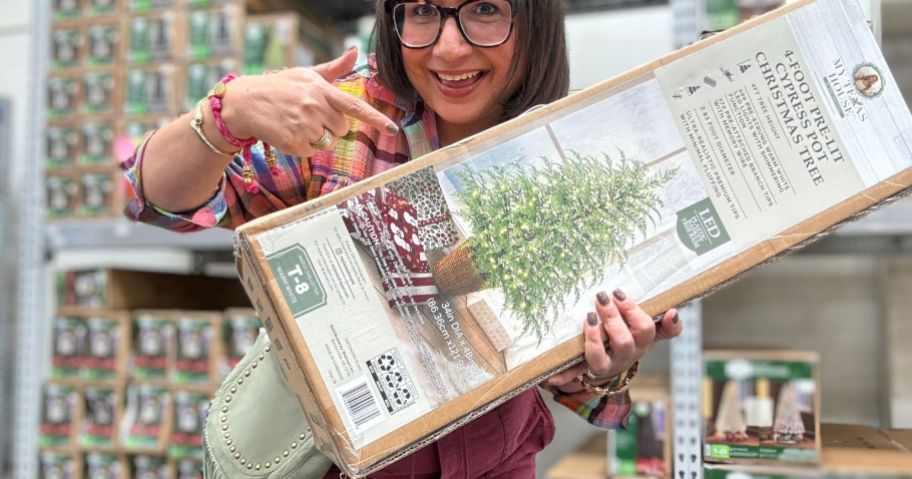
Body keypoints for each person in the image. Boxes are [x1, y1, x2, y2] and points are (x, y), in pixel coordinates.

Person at [121, 0, 684, 476]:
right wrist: (227, 115)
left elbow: (569, 372)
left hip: (494, 462)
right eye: (421, 12)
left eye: (485, 10)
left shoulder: (568, 149)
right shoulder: (348, 118)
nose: (449, 49)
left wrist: (603, 365)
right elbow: (153, 198)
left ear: (535, 18)